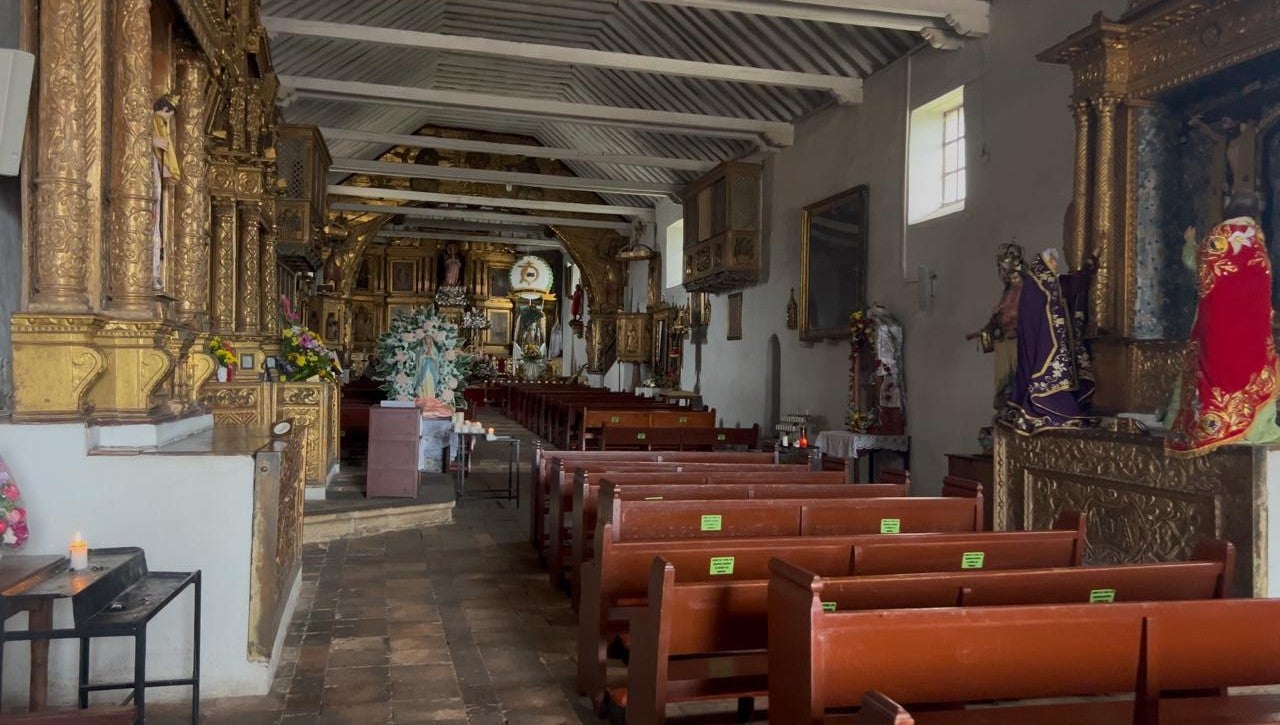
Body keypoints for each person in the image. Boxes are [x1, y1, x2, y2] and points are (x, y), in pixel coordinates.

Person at [1166, 191, 1280, 455]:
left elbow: (1195, 264)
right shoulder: (1258, 243)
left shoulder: (1216, 239)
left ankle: (1212, 426)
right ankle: (1255, 430)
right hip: (1252, 328)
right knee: (1251, 372)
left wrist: (1189, 243)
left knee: (1215, 371)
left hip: (1218, 327)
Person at [1002, 247, 1096, 434]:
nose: (1055, 265)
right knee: (1049, 375)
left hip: (1052, 341)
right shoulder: (1038, 285)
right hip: (1045, 343)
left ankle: (1059, 409)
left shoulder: (1048, 283)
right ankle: (1047, 409)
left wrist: (1090, 264)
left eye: (1055, 261)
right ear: (1044, 263)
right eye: (1052, 261)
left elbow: (1073, 285)